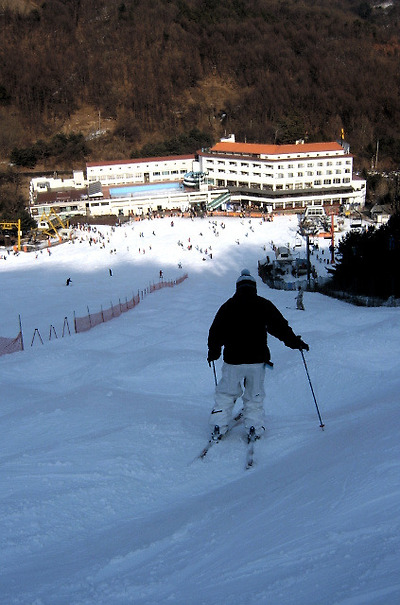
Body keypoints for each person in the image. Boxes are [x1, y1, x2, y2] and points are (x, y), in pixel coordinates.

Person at [207, 269, 309, 442]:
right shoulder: (263, 305)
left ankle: (218, 425)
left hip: (233, 360)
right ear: (254, 287)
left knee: (226, 394)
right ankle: (254, 427)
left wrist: (214, 352)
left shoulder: (228, 306)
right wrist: (295, 342)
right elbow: (280, 327)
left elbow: (216, 332)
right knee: (254, 395)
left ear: (237, 287)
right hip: (257, 360)